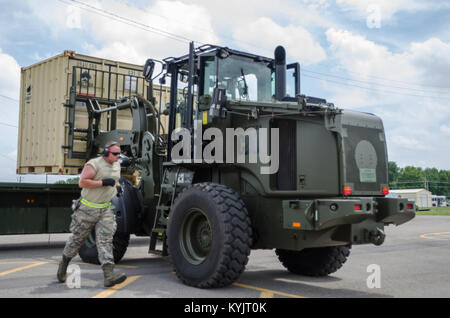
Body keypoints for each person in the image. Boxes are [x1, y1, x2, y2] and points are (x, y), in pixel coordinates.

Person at [57, 141, 127, 287]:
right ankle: (63, 266)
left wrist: (117, 186)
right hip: (87, 209)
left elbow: (114, 180)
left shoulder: (117, 165)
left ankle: (109, 276)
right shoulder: (94, 164)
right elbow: (82, 182)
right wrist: (102, 183)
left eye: (119, 153)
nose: (118, 156)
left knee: (106, 241)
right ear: (106, 153)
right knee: (77, 240)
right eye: (115, 153)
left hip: (105, 209)